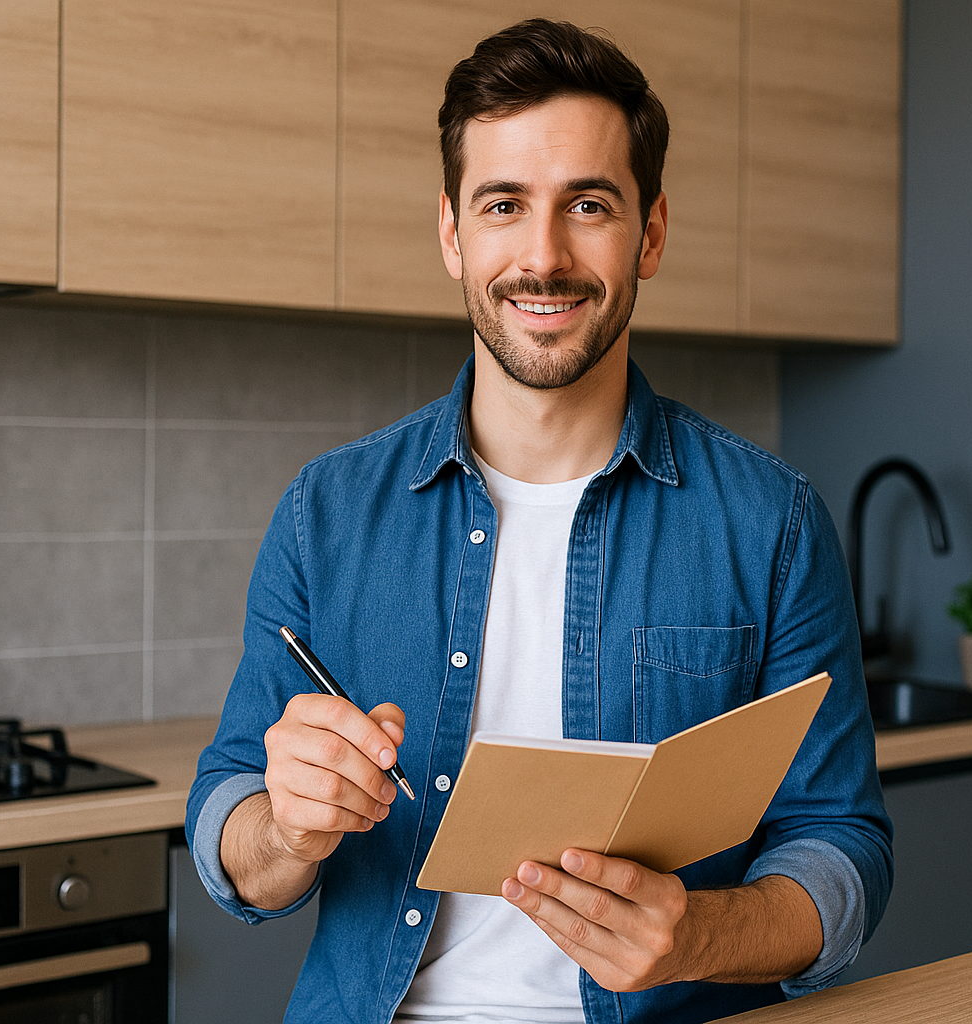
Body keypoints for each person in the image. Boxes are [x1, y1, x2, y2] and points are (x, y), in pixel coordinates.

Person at [187, 18, 892, 1024]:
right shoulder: (325, 513)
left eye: (589, 204)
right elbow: (230, 824)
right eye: (504, 204)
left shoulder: (772, 521)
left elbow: (844, 847)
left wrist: (699, 934)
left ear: (649, 232)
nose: (544, 256)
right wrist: (285, 830)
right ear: (452, 233)